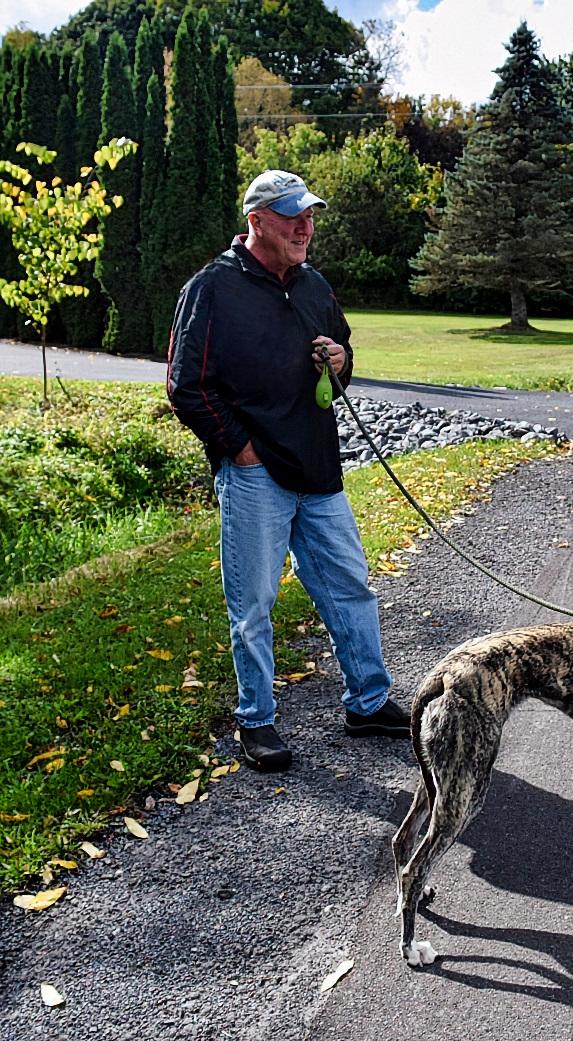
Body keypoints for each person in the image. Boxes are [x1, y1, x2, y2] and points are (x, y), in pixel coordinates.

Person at [167, 169, 409, 771]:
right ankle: (257, 722)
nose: (305, 226)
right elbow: (186, 387)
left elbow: (345, 356)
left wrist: (341, 358)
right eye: (292, 215)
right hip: (255, 476)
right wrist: (241, 451)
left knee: (350, 587)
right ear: (257, 222)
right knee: (254, 605)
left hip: (318, 468)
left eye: (309, 215)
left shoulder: (314, 287)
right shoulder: (211, 289)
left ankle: (368, 702)